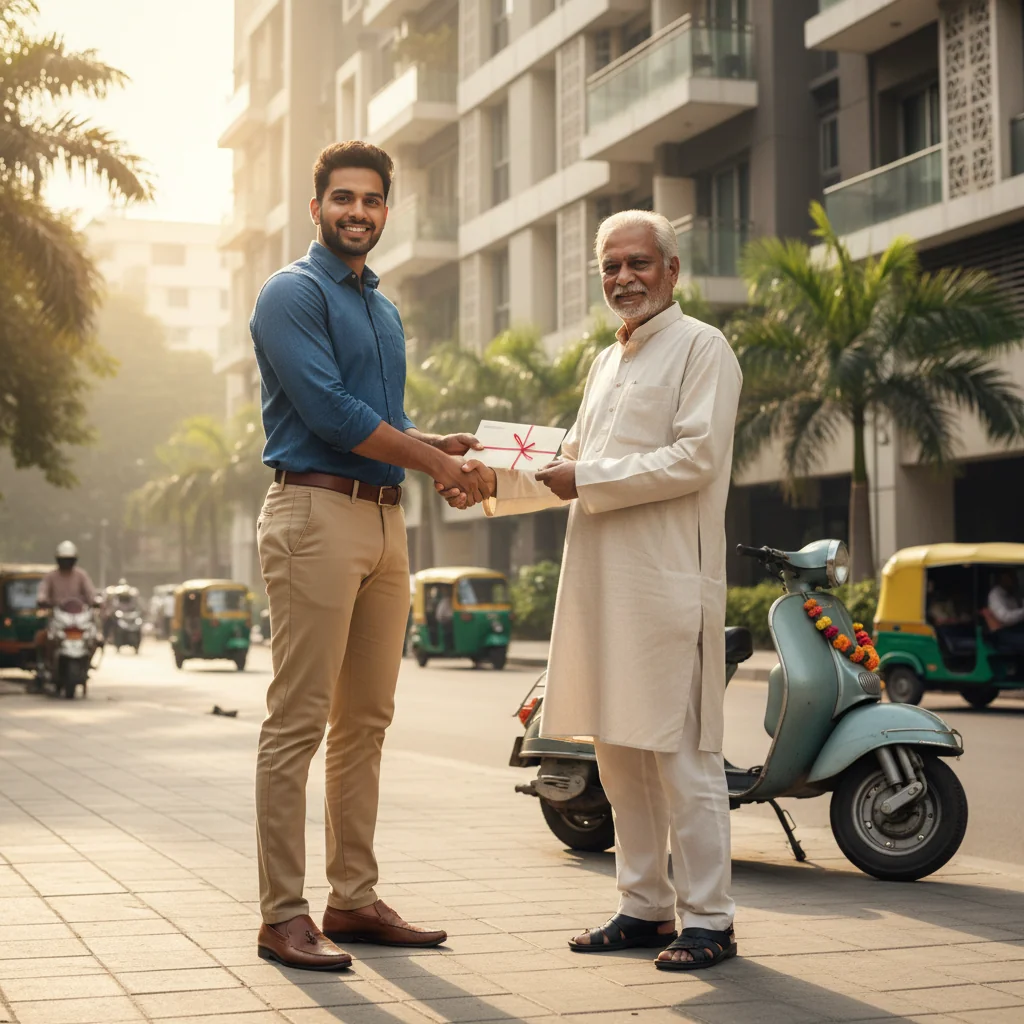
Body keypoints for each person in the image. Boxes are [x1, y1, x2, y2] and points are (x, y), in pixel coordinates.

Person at [443, 210, 742, 971]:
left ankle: (710, 919)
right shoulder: (607, 365)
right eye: (610, 267)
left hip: (668, 585)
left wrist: (587, 477)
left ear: (672, 270)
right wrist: (488, 480)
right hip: (604, 587)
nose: (623, 279)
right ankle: (644, 906)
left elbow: (695, 458)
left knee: (682, 757)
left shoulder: (703, 348)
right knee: (618, 755)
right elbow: (564, 463)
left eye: (639, 263)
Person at [249, 140, 492, 971]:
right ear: (316, 206)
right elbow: (329, 411)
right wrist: (439, 464)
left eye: (373, 200)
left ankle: (350, 899)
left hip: (387, 523)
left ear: (388, 211)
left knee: (367, 723)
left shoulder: (382, 308)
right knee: (297, 724)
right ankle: (281, 915)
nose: (358, 211)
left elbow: (370, 417)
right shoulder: (292, 292)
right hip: (314, 513)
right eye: (343, 198)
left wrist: (434, 444)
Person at [37, 541, 96, 609]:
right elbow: (43, 591)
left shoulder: (81, 575)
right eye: (64, 560)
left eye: (69, 560)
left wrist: (94, 601)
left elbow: (90, 592)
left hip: (79, 614)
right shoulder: (50, 576)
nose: (66, 563)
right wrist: (42, 600)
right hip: (57, 614)